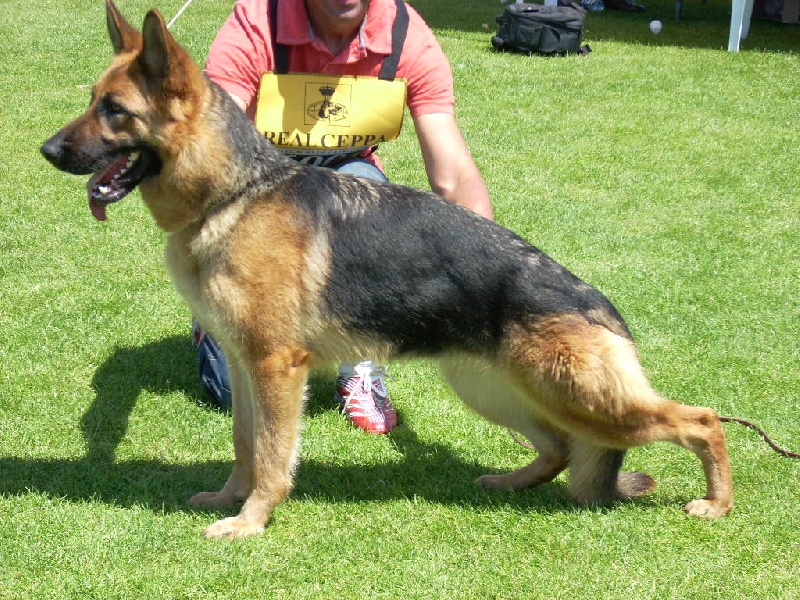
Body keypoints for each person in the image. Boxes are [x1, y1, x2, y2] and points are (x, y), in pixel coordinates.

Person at [194, 0, 494, 434]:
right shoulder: (258, 20)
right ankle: (217, 310)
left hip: (346, 181)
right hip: (259, 185)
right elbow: (212, 142)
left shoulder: (405, 34)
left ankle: (359, 363)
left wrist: (487, 281)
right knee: (230, 391)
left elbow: (453, 177)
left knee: (367, 191)